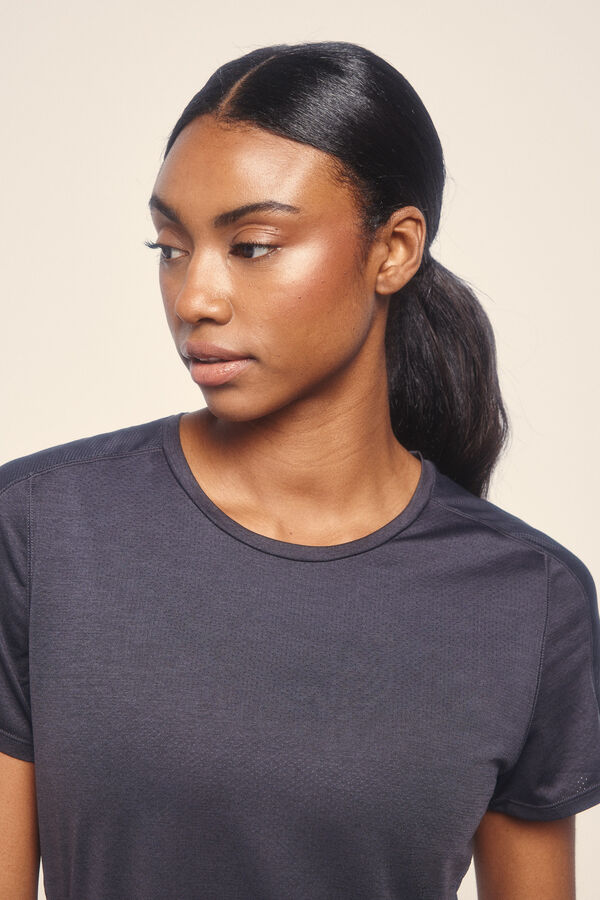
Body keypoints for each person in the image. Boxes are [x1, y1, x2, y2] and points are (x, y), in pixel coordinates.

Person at [1, 40, 599, 900]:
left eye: (251, 245)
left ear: (393, 250)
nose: (194, 298)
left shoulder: (530, 600)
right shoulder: (41, 531)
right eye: (170, 247)